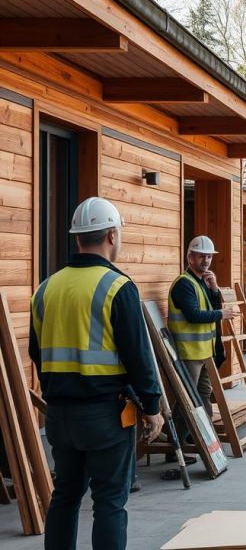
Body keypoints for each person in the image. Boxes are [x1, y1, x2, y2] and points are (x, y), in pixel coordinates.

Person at [30, 197, 164, 550]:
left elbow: (36, 352)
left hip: (59, 415)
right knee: (109, 503)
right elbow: (138, 357)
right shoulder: (118, 287)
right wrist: (152, 408)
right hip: (105, 415)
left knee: (65, 497)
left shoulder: (46, 289)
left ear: (77, 239)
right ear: (110, 235)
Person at [167, 235, 239, 465]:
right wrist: (221, 314)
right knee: (187, 401)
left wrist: (215, 288)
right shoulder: (184, 284)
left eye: (209, 256)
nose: (206, 260)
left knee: (204, 398)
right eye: (201, 256)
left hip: (203, 352)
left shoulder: (200, 282)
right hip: (189, 353)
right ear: (190, 257)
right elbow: (194, 315)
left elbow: (212, 305)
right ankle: (174, 446)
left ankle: (208, 445)